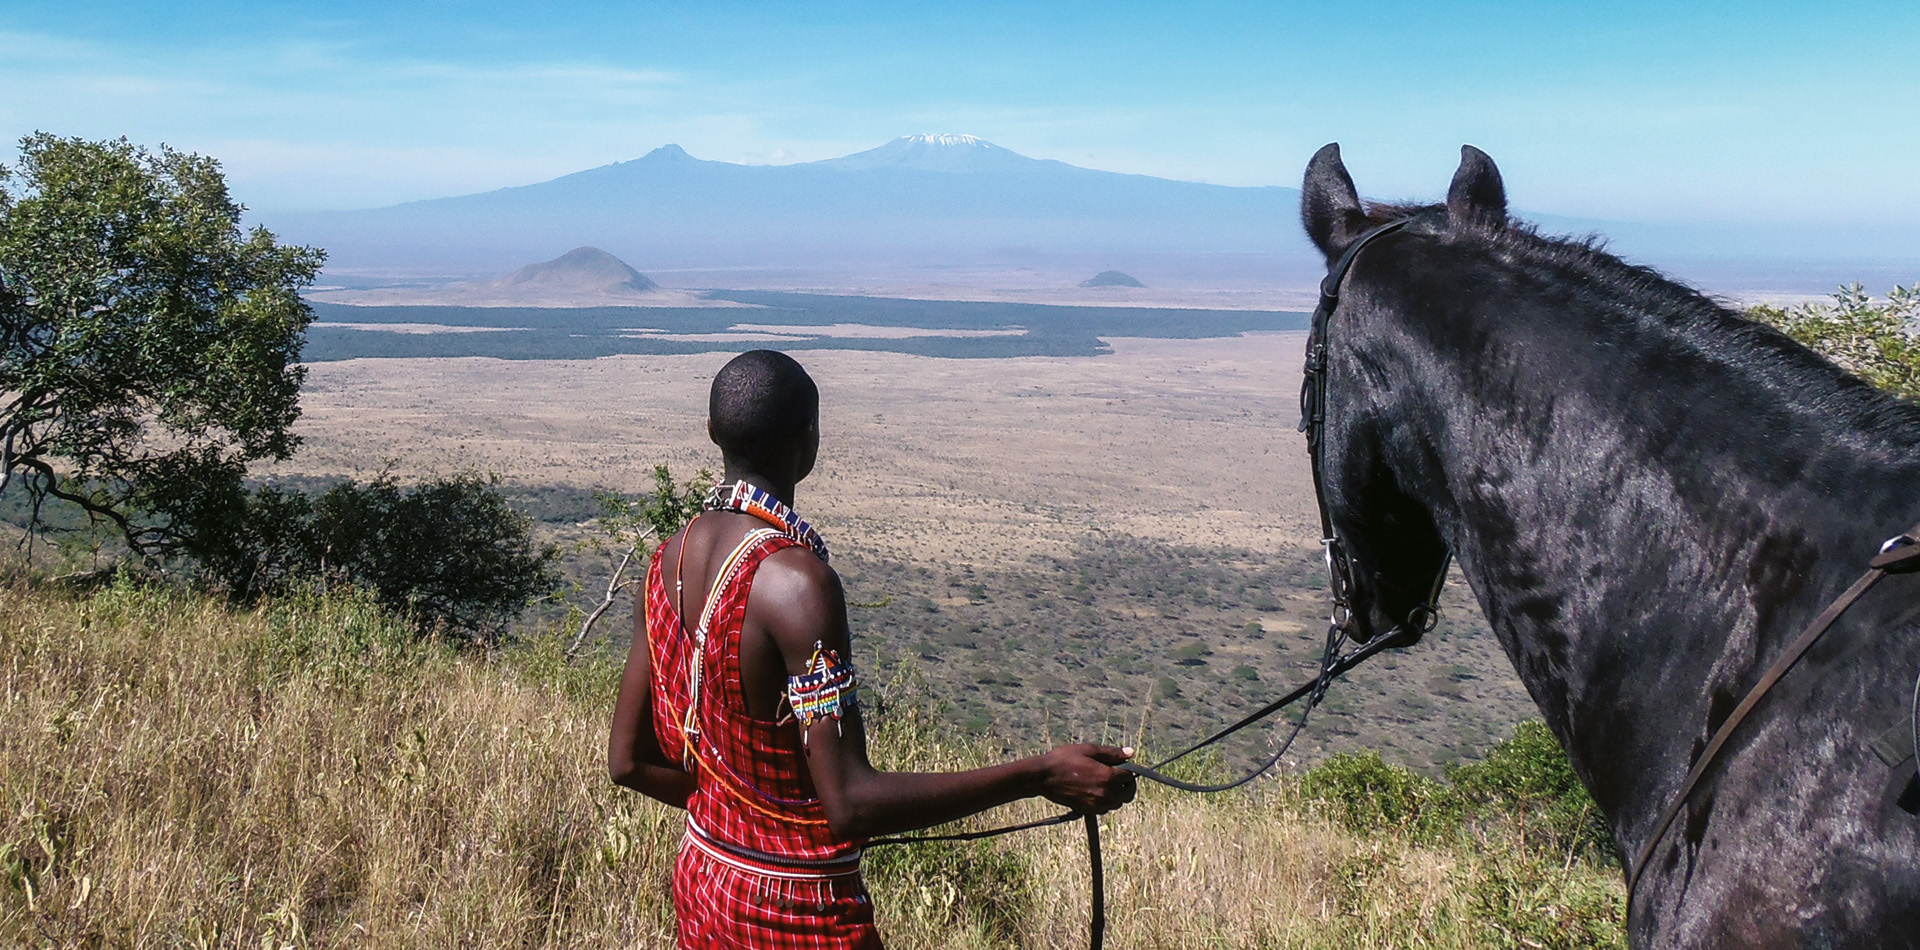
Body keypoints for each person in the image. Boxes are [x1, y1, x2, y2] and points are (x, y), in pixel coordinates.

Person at [608, 349, 1137, 949]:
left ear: (712, 433)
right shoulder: (796, 584)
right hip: (796, 911)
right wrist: (1040, 773)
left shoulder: (665, 563)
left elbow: (627, 761)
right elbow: (851, 805)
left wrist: (741, 820)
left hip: (705, 883)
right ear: (809, 440)